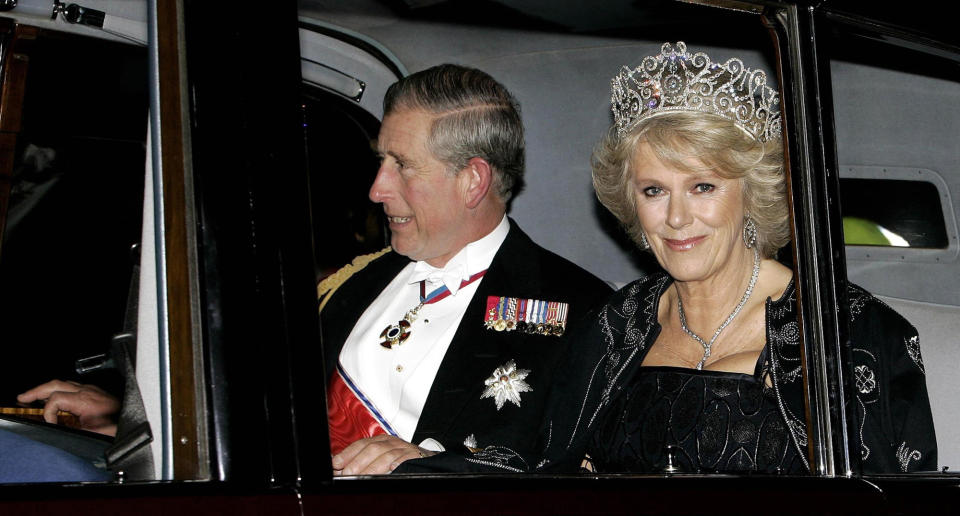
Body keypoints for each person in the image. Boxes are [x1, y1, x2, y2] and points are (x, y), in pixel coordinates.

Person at [397, 42, 937, 475]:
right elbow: (543, 465)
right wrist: (427, 465)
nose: (676, 218)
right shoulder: (616, 325)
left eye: (702, 186)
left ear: (753, 193)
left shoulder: (847, 333)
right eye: (654, 191)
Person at [318, 64, 612, 476]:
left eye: (402, 165)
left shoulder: (583, 313)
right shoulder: (351, 284)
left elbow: (570, 479)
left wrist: (433, 465)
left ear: (473, 181)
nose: (377, 189)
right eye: (382, 162)